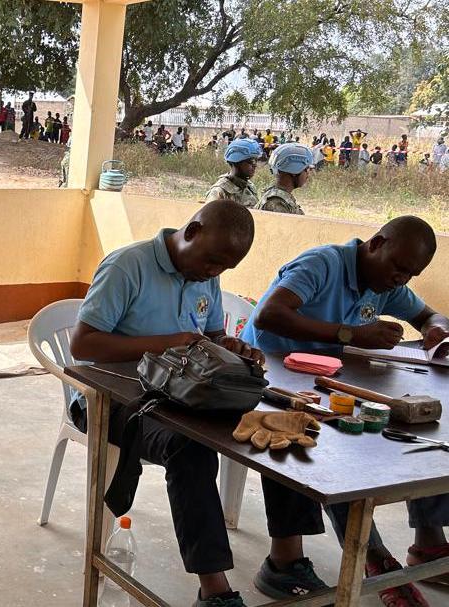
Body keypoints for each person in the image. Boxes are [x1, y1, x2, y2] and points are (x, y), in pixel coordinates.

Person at [70, 201, 329, 607]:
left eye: (224, 267)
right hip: (114, 396)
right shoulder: (127, 266)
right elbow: (83, 345)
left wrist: (231, 348)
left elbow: (209, 337)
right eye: (211, 262)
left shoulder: (205, 272)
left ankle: (286, 561)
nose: (214, 272)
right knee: (189, 447)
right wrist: (170, 342)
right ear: (191, 232)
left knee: (281, 424)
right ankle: (215, 590)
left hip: (183, 392)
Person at [241, 215, 449, 606]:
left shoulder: (385, 282)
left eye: (411, 274)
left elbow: (428, 315)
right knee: (314, 439)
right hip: (272, 374)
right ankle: (304, 560)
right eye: (399, 268)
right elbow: (268, 314)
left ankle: (429, 541)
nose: (401, 279)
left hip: (329, 379)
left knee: (420, 420)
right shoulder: (322, 264)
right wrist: (350, 334)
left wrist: (436, 328)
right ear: (376, 243)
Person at [257, 143, 315, 215]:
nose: (308, 174)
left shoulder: (281, 196)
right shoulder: (276, 203)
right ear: (294, 170)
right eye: (307, 169)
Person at [204, 139, 261, 207]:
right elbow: (210, 213)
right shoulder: (219, 191)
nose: (255, 165)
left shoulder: (250, 186)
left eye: (256, 160)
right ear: (237, 162)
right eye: (251, 161)